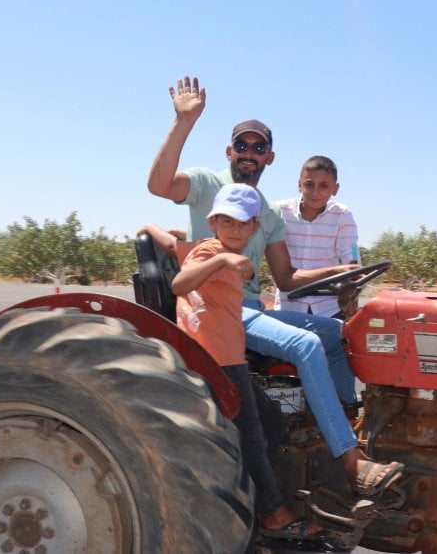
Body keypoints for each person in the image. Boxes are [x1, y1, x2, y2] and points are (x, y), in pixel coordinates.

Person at [147, 74, 404, 497]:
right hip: (219, 310)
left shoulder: (268, 212)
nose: (249, 153)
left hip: (251, 307)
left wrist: (339, 271)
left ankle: (340, 421)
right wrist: (184, 122)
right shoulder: (206, 184)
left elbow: (285, 279)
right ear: (230, 151)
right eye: (242, 146)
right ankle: (351, 460)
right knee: (305, 345)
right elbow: (158, 185)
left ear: (269, 158)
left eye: (258, 148)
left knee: (340, 334)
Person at [141, 184, 323, 540]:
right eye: (227, 221)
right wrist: (222, 260)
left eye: (243, 223)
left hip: (230, 357)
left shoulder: (208, 250)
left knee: (270, 423)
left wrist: (149, 229)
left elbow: (171, 246)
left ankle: (247, 497)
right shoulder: (210, 251)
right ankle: (273, 514)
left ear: (255, 227)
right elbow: (179, 284)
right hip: (214, 360)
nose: (235, 229)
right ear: (214, 222)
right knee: (253, 436)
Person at [274, 155, 360, 318]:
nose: (315, 192)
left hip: (328, 308)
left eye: (323, 186)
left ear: (335, 189)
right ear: (299, 185)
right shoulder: (279, 212)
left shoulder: (343, 215)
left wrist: (353, 267)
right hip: (288, 307)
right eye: (309, 185)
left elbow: (352, 252)